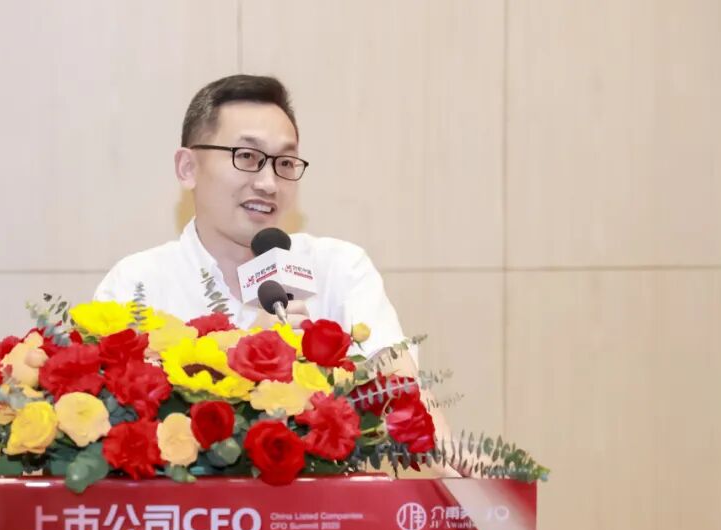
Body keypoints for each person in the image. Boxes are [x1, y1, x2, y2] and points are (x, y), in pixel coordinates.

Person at [93, 74, 456, 468]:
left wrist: (463, 474)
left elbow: (406, 399)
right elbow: (116, 441)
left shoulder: (338, 268)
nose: (269, 183)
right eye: (247, 157)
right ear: (188, 167)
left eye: (284, 163)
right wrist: (246, 353)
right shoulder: (137, 284)